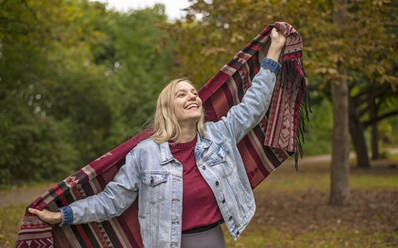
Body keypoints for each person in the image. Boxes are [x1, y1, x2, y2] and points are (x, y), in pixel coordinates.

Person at [29, 28, 286, 248]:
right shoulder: (145, 153)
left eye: (194, 93)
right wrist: (62, 215)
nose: (193, 97)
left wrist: (274, 52)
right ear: (167, 108)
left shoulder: (219, 134)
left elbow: (254, 105)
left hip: (210, 240)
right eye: (182, 94)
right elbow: (112, 201)